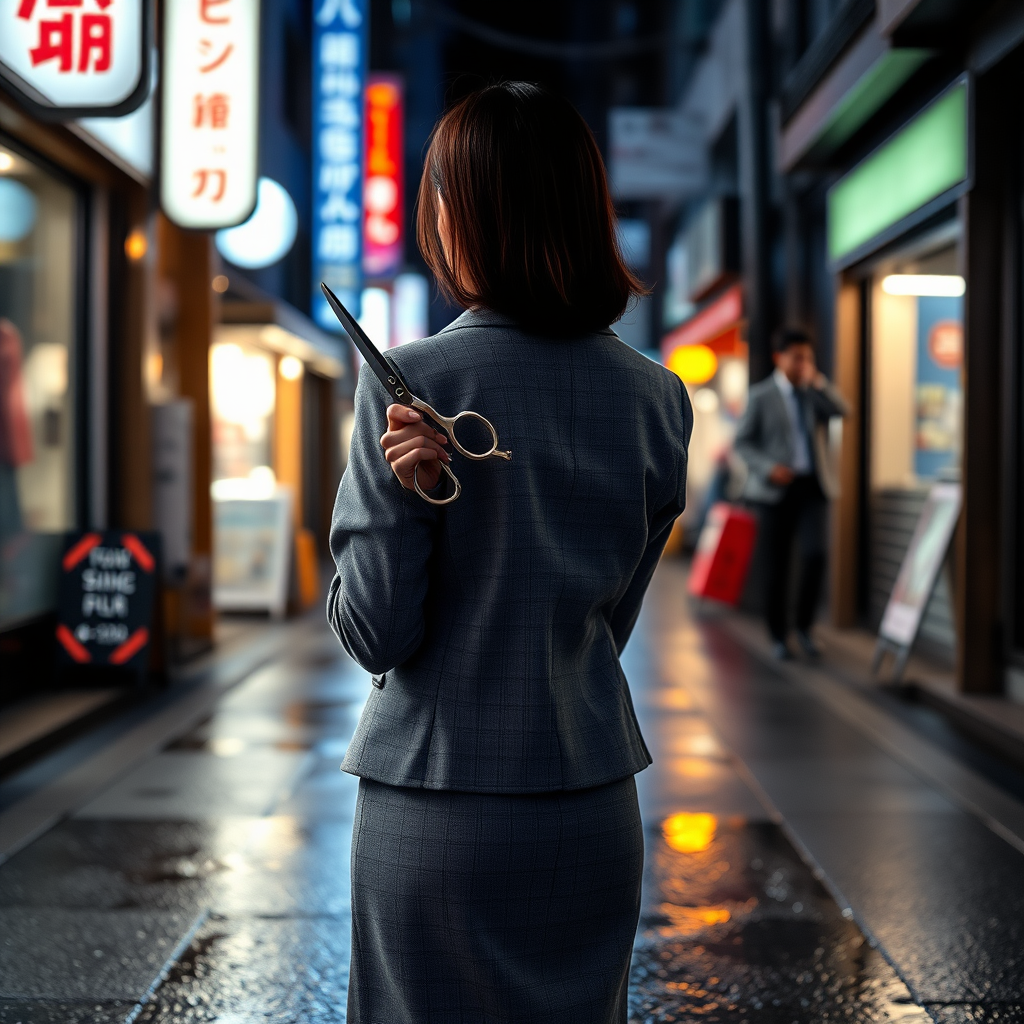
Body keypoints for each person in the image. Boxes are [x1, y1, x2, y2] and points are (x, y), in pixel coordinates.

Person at [327, 82, 692, 1024]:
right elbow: (611, 620)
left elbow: (374, 631)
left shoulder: (415, 380)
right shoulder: (658, 398)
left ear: (463, 217)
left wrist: (407, 503)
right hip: (589, 796)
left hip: (437, 801)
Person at [734, 327, 849, 660]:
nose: (803, 364)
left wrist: (819, 382)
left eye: (808, 358)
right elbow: (743, 442)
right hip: (774, 490)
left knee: (815, 555)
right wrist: (769, 467)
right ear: (778, 358)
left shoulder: (812, 392)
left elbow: (844, 411)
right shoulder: (761, 395)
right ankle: (778, 635)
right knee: (778, 564)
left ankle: (804, 628)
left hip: (811, 486)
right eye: (797, 357)